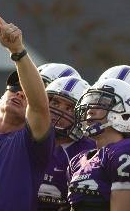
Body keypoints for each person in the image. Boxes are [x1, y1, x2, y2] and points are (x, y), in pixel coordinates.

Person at [0, 12, 54, 211]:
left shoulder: (31, 145)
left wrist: (17, 50)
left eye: (26, 92)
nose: (20, 94)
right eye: (14, 89)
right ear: (0, 98)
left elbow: (38, 106)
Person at [67, 78, 130, 211]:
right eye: (90, 103)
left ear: (126, 113)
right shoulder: (78, 161)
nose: (90, 111)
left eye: (101, 103)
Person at [37, 76, 96, 211]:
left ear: (83, 115)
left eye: (69, 108)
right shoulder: (25, 140)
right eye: (55, 103)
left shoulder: (89, 152)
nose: (59, 112)